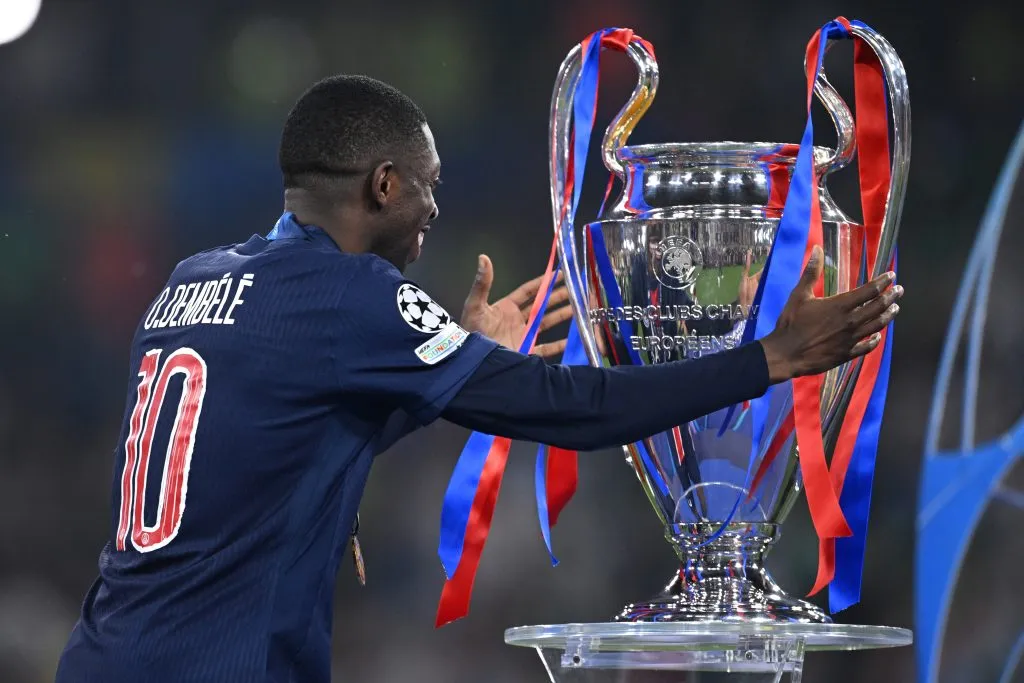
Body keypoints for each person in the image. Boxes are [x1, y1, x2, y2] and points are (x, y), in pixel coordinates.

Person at [54, 75, 903, 683]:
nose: (434, 209)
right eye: (428, 187)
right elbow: (572, 408)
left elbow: (278, 435)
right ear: (383, 185)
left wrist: (454, 355)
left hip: (102, 653)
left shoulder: (192, 281)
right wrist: (767, 359)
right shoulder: (350, 296)